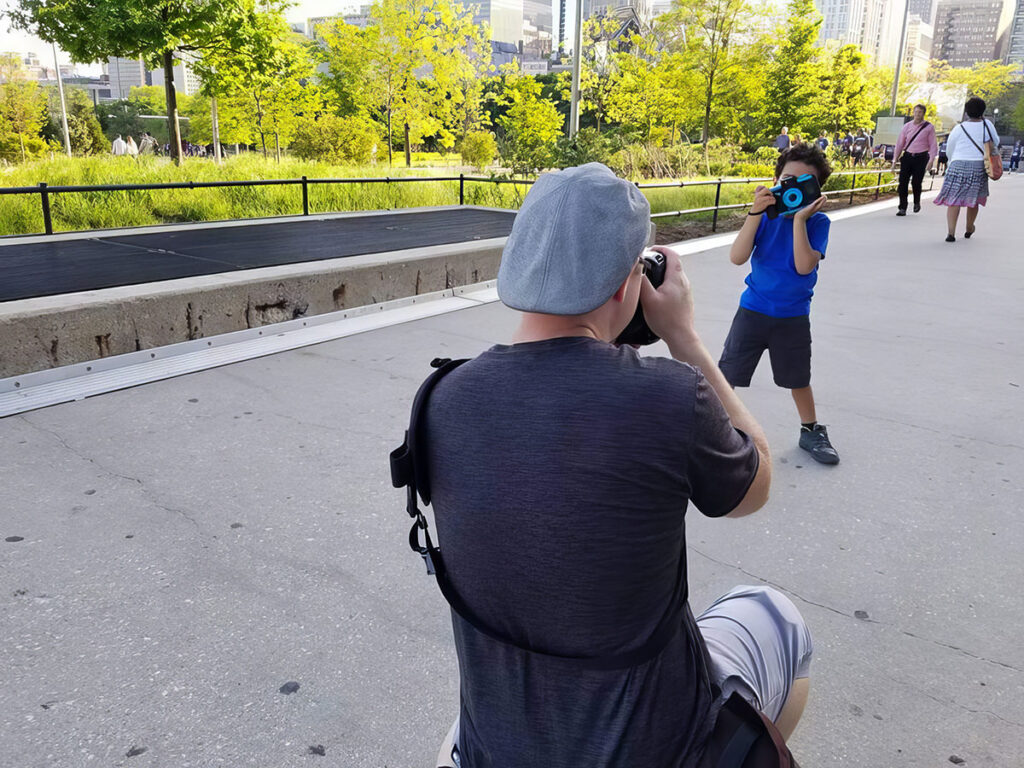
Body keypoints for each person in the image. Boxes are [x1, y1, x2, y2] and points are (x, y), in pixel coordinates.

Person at [423, 163, 812, 768]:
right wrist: (683, 336)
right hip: (653, 747)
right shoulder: (669, 394)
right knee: (775, 617)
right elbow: (755, 484)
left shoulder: (440, 400)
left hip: (495, 747)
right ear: (626, 284)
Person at [719, 144, 839, 465]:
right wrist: (755, 213)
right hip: (753, 310)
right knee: (727, 374)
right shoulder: (765, 218)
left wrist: (800, 220)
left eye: (804, 184)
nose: (793, 190)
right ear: (775, 180)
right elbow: (737, 257)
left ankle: (811, 430)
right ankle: (710, 428)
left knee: (798, 378)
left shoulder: (818, 223)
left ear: (816, 191)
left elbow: (803, 265)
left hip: (792, 317)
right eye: (787, 180)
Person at [933, 97, 999, 242]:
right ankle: (969, 228)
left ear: (967, 112)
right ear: (982, 111)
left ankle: (951, 233)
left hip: (957, 164)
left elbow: (950, 147)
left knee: (953, 200)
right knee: (973, 200)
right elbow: (996, 142)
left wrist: (951, 162)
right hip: (978, 166)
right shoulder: (987, 125)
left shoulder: (959, 127)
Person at [892, 104, 938, 216]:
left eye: (920, 112)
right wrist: (894, 161)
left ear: (923, 113)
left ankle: (916, 202)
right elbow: (899, 144)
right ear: (913, 113)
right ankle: (902, 207)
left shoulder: (929, 127)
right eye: (916, 112)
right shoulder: (907, 126)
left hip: (921, 157)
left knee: (916, 182)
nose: (917, 114)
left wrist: (931, 160)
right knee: (903, 183)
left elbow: (933, 145)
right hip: (907, 156)